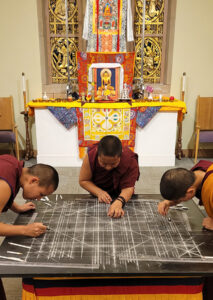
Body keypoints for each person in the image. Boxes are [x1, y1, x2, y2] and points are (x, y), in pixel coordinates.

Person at [79, 135, 140, 218]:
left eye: (113, 164)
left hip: (124, 196)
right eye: (103, 163)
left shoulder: (130, 160)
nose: (108, 167)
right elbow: (84, 180)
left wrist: (119, 201)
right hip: (98, 197)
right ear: (97, 152)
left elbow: (128, 187)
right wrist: (98, 192)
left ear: (120, 155)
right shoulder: (91, 156)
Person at [0, 154, 59, 237]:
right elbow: (3, 191)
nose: (39, 199)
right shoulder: (4, 185)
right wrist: (25, 230)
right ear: (33, 181)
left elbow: (4, 197)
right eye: (41, 194)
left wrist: (17, 208)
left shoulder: (12, 164)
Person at [158, 160, 213, 230]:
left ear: (190, 191)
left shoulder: (211, 189)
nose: (179, 201)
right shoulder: (195, 174)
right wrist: (169, 202)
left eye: (179, 199)